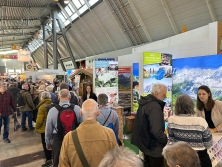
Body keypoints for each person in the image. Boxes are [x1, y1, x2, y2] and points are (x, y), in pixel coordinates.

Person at [58, 99, 117, 167]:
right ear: (98, 113)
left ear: (81, 113)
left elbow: (63, 164)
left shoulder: (68, 138)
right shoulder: (109, 134)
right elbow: (116, 161)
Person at [168, 94, 212, 167]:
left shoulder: (171, 120)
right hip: (200, 158)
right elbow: (209, 144)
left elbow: (172, 141)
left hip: (181, 159)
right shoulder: (201, 121)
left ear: (177, 106)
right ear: (191, 105)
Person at [131, 83, 168, 167]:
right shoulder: (154, 106)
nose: (165, 96)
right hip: (154, 147)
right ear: (157, 93)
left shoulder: (145, 103)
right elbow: (156, 131)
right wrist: (165, 139)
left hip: (146, 144)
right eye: (164, 94)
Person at [45, 89, 82, 167]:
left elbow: (48, 129)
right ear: (70, 97)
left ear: (58, 97)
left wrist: (48, 142)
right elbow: (82, 125)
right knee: (75, 162)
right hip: (74, 139)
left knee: (57, 162)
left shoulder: (52, 111)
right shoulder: (77, 108)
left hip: (58, 140)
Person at [35, 91, 52, 167]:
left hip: (44, 128)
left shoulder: (42, 107)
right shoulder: (52, 104)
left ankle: (48, 160)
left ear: (41, 97)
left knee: (45, 144)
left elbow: (39, 120)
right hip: (52, 127)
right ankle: (52, 157)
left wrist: (37, 127)